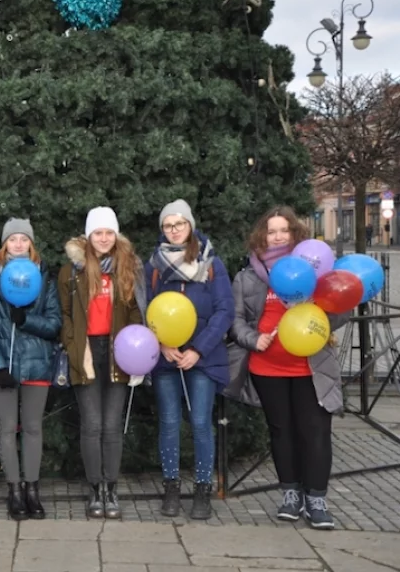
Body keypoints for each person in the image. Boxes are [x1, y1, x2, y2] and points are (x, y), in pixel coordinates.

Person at [228, 207, 345, 530]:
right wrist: (254, 339)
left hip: (311, 368)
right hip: (269, 368)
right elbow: (235, 321)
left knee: (316, 433)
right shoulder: (248, 276)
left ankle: (317, 499)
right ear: (261, 235)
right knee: (282, 433)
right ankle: (290, 494)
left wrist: (314, 303)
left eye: (284, 230)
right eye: (271, 231)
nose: (278, 236)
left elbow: (339, 315)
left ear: (295, 234)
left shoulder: (315, 270)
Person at [145, 200, 233, 520]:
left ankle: (201, 489)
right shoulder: (153, 266)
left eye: (179, 224)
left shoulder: (212, 263)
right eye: (168, 225)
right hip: (166, 358)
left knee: (199, 423)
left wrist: (198, 349)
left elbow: (225, 310)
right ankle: (171, 487)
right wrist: (161, 344)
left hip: (203, 359)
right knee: (169, 423)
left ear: (191, 226)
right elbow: (145, 309)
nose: (174, 230)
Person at [57, 207, 144, 520]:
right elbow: (65, 315)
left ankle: (111, 487)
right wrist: (72, 345)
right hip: (87, 352)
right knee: (92, 425)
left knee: (111, 426)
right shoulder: (72, 270)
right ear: (88, 236)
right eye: (98, 233)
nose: (104, 238)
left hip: (118, 350)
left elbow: (136, 310)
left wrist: (136, 348)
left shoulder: (127, 267)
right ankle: (95, 489)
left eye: (109, 232)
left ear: (116, 235)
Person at [0, 218, 61, 520]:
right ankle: (14, 491)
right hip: (6, 366)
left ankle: (32, 490)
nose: (17, 244)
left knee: (32, 428)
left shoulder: (44, 277)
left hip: (38, 364)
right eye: (12, 239)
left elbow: (54, 324)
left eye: (23, 239)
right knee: (6, 428)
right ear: (4, 244)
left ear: (31, 243)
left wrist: (26, 320)